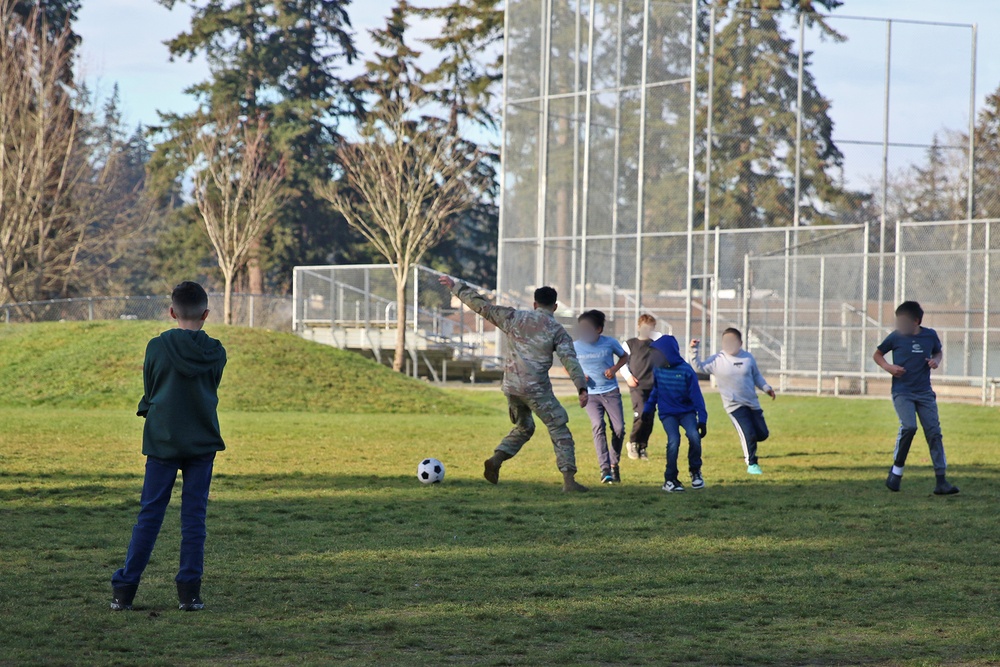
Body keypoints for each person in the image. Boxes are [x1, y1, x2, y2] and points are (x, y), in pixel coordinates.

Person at [110, 281, 228, 612]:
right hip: (202, 442)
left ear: (172, 312)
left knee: (150, 514)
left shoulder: (156, 347)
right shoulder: (216, 351)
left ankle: (125, 590)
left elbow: (151, 388)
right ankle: (189, 593)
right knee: (194, 517)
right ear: (206, 314)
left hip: (162, 440)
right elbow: (209, 385)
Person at [438, 275, 591, 492]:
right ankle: (569, 481)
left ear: (535, 304)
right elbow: (570, 360)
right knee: (558, 427)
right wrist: (581, 387)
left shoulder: (514, 318)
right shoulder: (557, 331)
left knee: (524, 427)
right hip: (536, 389)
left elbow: (482, 306)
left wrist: (456, 287)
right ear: (555, 307)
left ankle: (496, 459)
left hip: (511, 387)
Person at [874, 301, 959, 495]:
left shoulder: (930, 335)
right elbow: (878, 354)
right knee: (909, 427)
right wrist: (889, 367)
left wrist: (935, 361)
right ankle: (896, 472)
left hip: (924, 393)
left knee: (934, 433)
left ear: (916, 321)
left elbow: (938, 351)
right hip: (902, 392)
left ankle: (941, 481)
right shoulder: (896, 337)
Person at [690, 328, 775, 476]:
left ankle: (748, 438)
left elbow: (757, 376)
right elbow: (699, 367)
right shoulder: (718, 360)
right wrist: (693, 350)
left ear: (740, 343)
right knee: (748, 434)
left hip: (752, 403)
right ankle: (752, 464)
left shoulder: (748, 358)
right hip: (734, 405)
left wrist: (767, 388)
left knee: (762, 434)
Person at [642, 335, 708, 493]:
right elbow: (655, 391)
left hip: (686, 412)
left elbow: (697, 397)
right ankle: (670, 479)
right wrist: (647, 410)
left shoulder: (686, 371)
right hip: (668, 413)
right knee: (674, 440)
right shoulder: (658, 370)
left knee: (694, 436)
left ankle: (695, 472)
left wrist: (702, 420)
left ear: (668, 353)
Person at [573, 310, 629, 484]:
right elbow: (569, 366)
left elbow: (624, 356)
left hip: (611, 392)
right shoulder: (575, 346)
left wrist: (614, 369)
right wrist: (579, 376)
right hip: (590, 394)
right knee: (598, 425)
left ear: (599, 329)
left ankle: (614, 464)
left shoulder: (610, 343)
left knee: (619, 429)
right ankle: (604, 469)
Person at [620, 314, 661, 461]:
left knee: (649, 417)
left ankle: (643, 446)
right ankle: (632, 442)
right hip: (637, 385)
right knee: (641, 413)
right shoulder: (630, 344)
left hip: (653, 386)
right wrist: (628, 377)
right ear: (639, 327)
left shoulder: (656, 345)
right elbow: (622, 363)